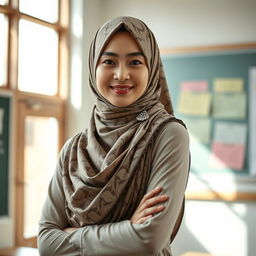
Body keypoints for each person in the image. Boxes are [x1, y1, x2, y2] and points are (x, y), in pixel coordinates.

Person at [38, 16, 190, 256]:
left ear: (151, 68)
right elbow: (46, 242)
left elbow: (148, 241)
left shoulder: (168, 134)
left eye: (135, 62)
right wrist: (128, 228)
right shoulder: (73, 150)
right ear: (93, 67)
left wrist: (69, 235)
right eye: (109, 61)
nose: (121, 74)